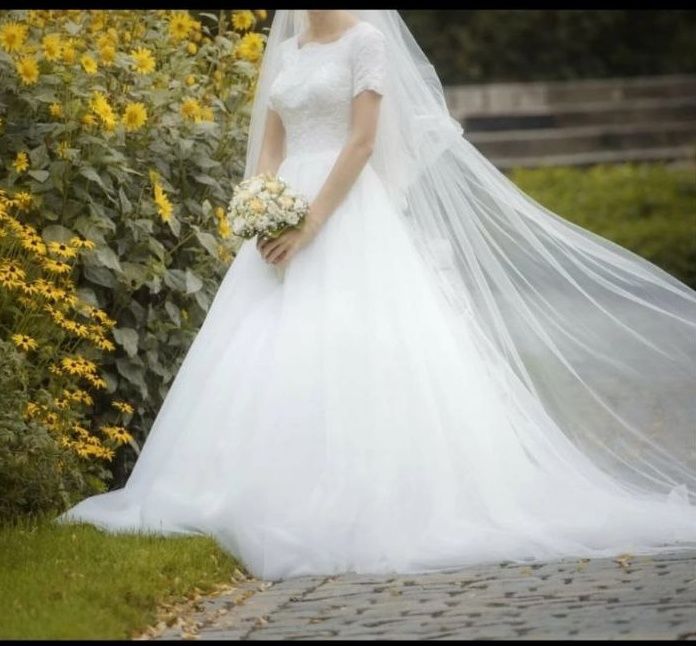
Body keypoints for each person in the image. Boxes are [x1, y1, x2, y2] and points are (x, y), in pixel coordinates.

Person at [56, 10, 696, 581]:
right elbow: (272, 145)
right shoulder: (289, 51)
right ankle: (257, 486)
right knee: (264, 347)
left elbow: (362, 141)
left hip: (345, 213)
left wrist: (309, 223)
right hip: (283, 216)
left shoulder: (367, 43)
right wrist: (259, 208)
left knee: (354, 340)